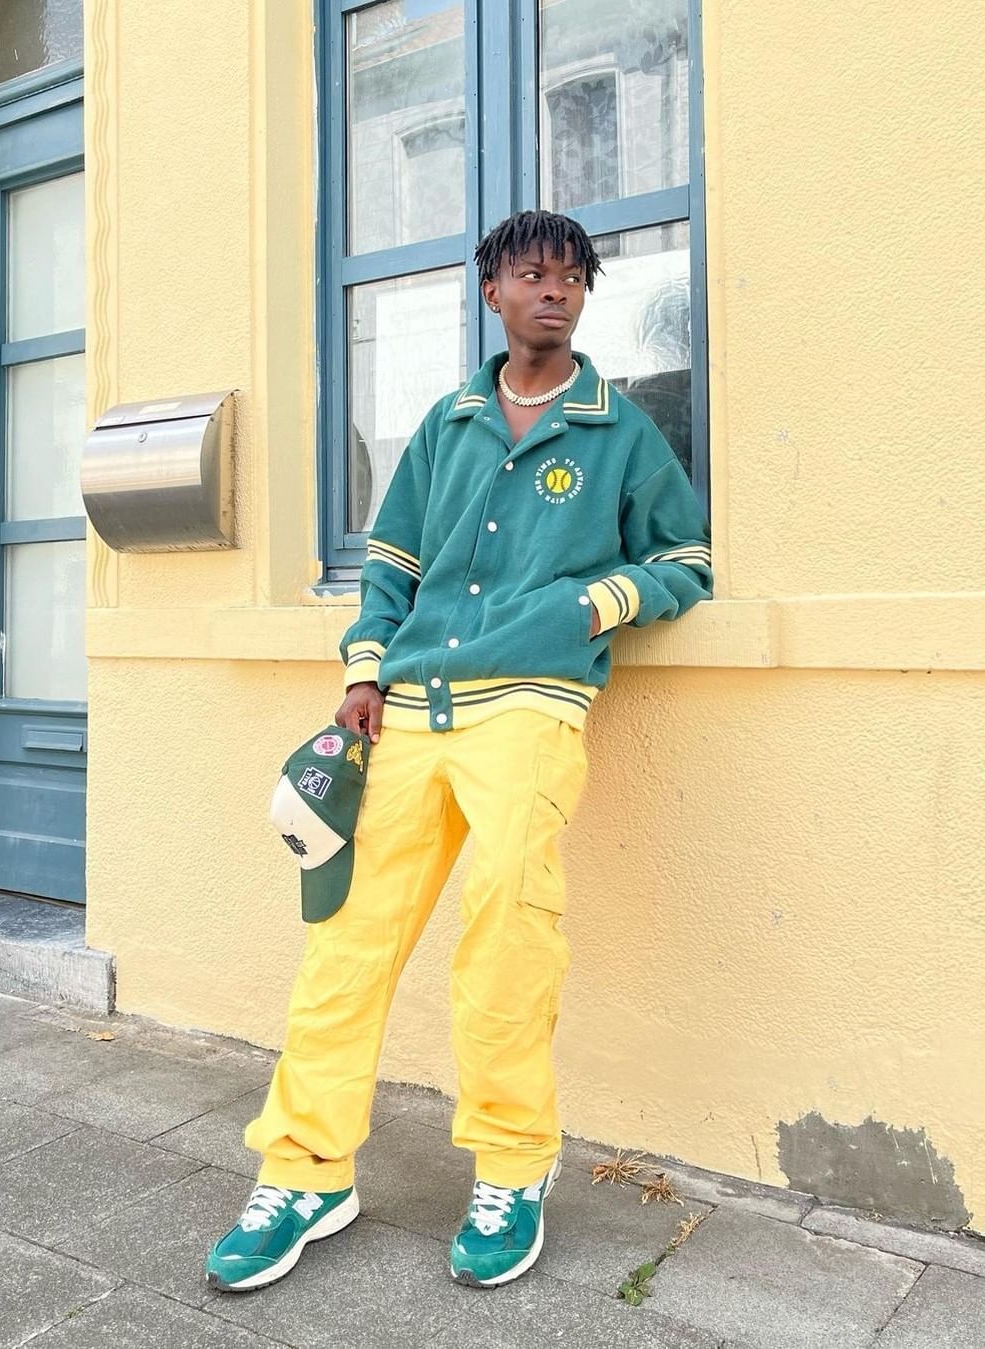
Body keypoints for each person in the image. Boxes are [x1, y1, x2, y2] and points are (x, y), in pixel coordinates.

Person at [206, 209, 713, 1294]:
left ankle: (513, 1166)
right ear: (494, 292)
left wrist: (592, 606)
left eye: (572, 276)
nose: (554, 290)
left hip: (528, 706)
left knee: (506, 934)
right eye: (533, 274)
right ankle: (304, 1170)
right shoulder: (449, 421)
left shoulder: (620, 431)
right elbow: (389, 565)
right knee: (348, 939)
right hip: (410, 707)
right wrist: (362, 672)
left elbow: (686, 559)